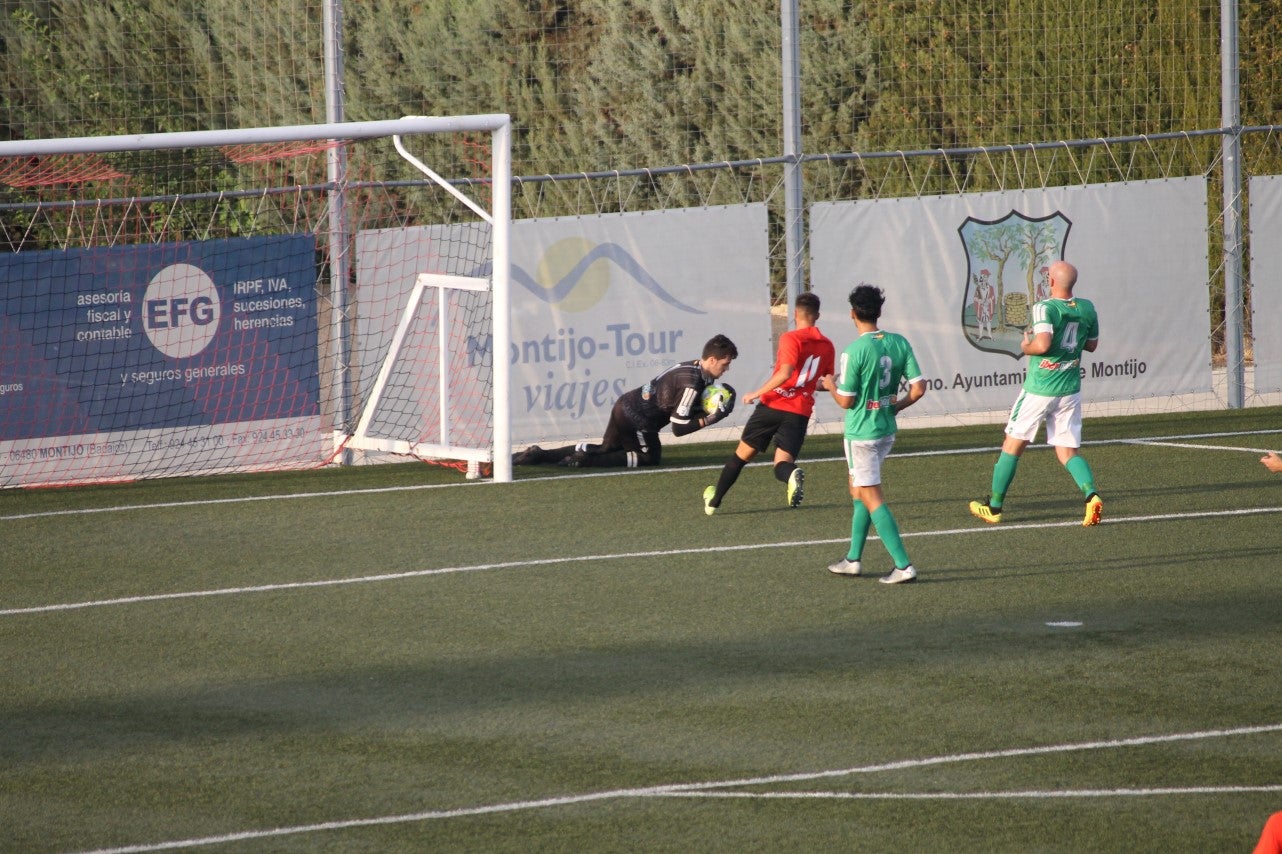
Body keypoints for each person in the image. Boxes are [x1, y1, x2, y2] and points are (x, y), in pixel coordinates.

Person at [969, 259, 1103, 527]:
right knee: (1067, 451)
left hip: (1040, 389)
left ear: (1051, 282)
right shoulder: (1087, 307)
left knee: (1012, 444)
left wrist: (1025, 345)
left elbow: (1042, 345)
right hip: (1069, 389)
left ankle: (994, 507)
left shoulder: (1044, 307)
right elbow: (1091, 345)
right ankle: (1091, 495)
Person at [820, 283, 926, 584]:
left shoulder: (854, 351)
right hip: (885, 430)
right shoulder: (899, 342)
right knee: (858, 491)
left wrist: (829, 385)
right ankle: (853, 558)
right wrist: (896, 407)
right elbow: (918, 389)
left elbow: (846, 401)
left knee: (871, 494)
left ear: (853, 313)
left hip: (861, 433)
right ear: (879, 312)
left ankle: (903, 565)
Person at [512, 334, 738, 469]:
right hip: (639, 420)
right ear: (711, 359)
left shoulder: (692, 366)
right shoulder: (693, 384)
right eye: (725, 364)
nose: (726, 369)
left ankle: (539, 454)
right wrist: (712, 417)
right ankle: (585, 461)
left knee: (607, 447)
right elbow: (678, 428)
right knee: (649, 458)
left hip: (625, 405)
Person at [702, 292, 835, 514]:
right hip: (799, 412)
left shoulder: (790, 338)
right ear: (818, 316)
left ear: (795, 314)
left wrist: (756, 392)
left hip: (773, 405)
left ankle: (714, 502)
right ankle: (791, 475)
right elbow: (821, 382)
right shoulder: (827, 346)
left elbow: (785, 373)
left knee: (740, 457)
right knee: (781, 464)